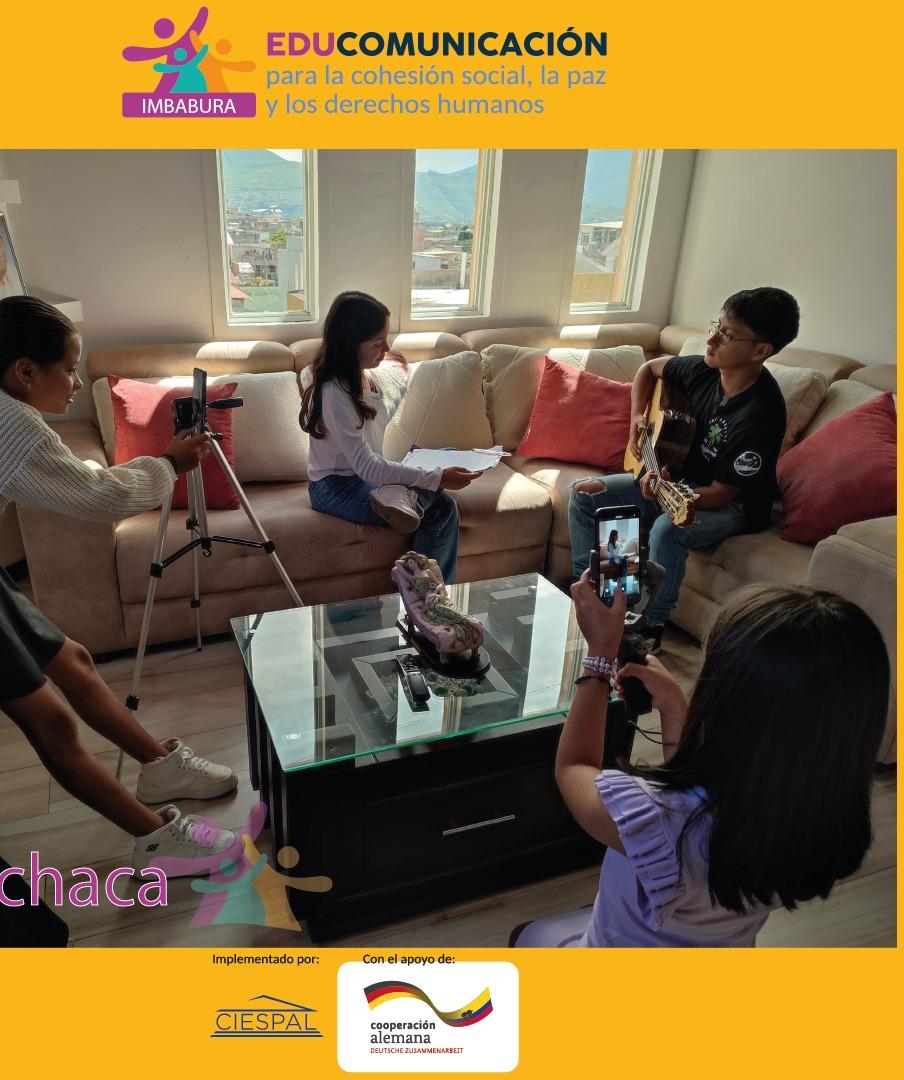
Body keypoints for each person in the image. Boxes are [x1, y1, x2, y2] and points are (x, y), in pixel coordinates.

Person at [0, 296, 240, 872]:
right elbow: (99, 499)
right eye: (70, 369)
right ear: (26, 370)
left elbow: (72, 479)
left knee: (73, 661)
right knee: (50, 721)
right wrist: (170, 464)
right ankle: (157, 841)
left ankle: (160, 767)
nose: (77, 383)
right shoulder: (3, 419)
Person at [511, 576, 888, 947]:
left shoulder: (653, 818)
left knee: (525, 933)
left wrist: (599, 658)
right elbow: (697, 796)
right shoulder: (832, 826)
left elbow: (574, 767)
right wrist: (675, 709)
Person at [568, 286, 797, 653]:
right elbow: (647, 370)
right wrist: (637, 418)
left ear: (760, 351)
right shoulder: (703, 370)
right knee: (585, 495)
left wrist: (662, 492)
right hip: (676, 478)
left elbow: (721, 494)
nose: (711, 340)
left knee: (668, 527)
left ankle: (648, 627)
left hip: (733, 505)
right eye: (716, 327)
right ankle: (602, 596)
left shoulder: (760, 415)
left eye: (727, 335)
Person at [298, 291, 480, 583]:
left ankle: (427, 592)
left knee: (445, 477)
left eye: (386, 339)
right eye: (377, 342)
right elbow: (367, 467)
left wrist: (402, 377)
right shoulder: (333, 392)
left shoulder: (363, 375)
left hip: (366, 480)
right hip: (334, 489)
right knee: (439, 497)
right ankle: (425, 595)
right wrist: (436, 477)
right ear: (350, 344)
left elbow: (377, 418)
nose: (386, 348)